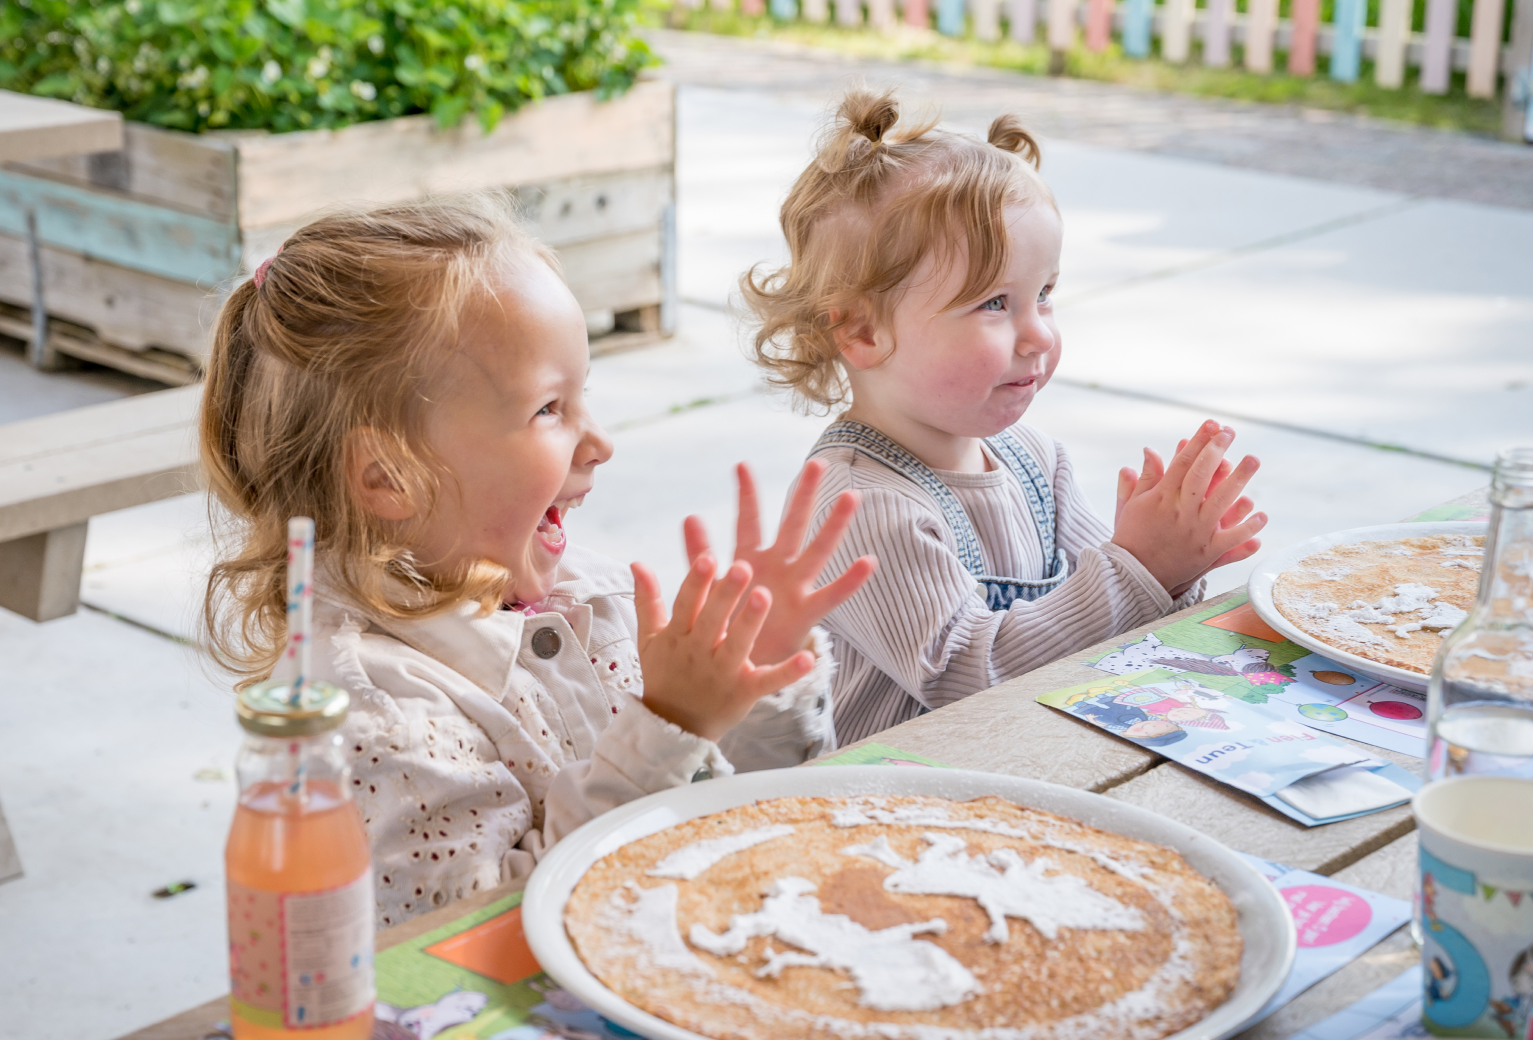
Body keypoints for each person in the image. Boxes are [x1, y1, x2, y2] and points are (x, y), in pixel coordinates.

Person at [200, 196, 875, 926]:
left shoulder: (593, 596)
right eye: (549, 409)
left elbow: (740, 811)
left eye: (584, 395)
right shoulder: (375, 710)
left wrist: (752, 678)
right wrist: (668, 724)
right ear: (390, 477)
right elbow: (480, 933)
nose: (601, 443)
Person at [742, 89, 1268, 744]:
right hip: (901, 787)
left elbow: (1106, 629)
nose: (1039, 334)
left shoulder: (1037, 461)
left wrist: (1172, 568)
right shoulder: (861, 503)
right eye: (994, 303)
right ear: (862, 331)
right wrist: (1140, 566)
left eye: (1044, 294)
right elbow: (970, 676)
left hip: (1018, 762)